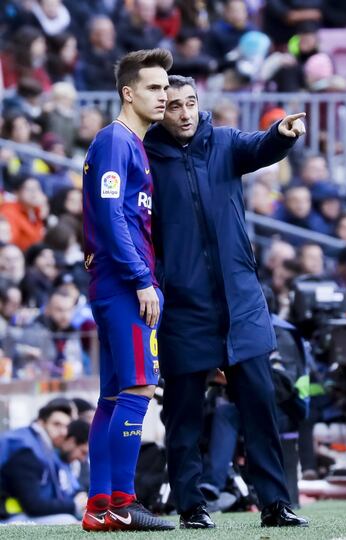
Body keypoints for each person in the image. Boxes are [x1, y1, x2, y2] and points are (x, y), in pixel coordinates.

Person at [144, 75, 309, 528]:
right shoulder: (146, 157)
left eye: (191, 103)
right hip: (183, 306)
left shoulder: (225, 142)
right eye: (174, 105)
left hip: (241, 302)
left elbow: (260, 147)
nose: (184, 113)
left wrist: (281, 135)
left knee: (259, 407)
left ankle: (275, 503)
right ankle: (191, 505)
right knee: (183, 416)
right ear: (161, 109)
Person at [81, 49, 175, 532]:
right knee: (139, 387)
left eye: (166, 87)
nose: (163, 96)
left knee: (114, 397)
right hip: (123, 282)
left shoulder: (130, 144)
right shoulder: (116, 141)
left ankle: (100, 506)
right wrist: (142, 278)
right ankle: (122, 500)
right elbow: (110, 214)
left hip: (114, 280)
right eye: (155, 88)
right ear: (128, 92)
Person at [0, 399, 85, 524]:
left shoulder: (43, 447)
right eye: (56, 424)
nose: (62, 432)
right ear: (41, 422)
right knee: (68, 521)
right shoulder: (26, 449)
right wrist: (74, 505)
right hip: (8, 518)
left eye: (66, 426)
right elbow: (33, 505)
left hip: (19, 514)